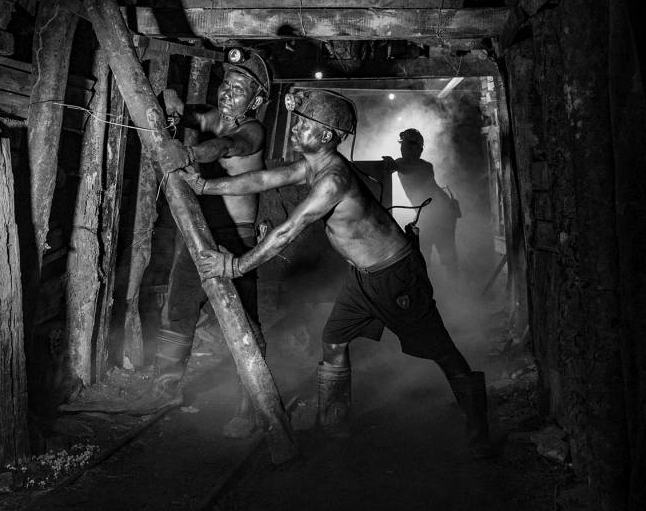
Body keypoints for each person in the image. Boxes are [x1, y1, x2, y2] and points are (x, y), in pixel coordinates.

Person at [184, 90, 495, 458]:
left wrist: (234, 265)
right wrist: (205, 186)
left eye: (303, 125)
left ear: (327, 135)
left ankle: (479, 428)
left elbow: (288, 230)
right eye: (297, 123)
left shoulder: (332, 179)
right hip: (363, 278)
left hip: (394, 274)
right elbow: (263, 180)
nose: (295, 129)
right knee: (334, 340)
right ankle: (334, 423)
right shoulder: (312, 165)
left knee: (441, 350)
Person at [128, 52, 269, 440]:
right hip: (199, 234)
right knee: (179, 309)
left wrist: (189, 153)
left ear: (256, 100)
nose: (227, 93)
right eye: (226, 84)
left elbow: (225, 145)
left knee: (243, 324)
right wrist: (173, 101)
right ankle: (164, 390)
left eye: (239, 89)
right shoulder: (215, 117)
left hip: (235, 240)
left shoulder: (253, 131)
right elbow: (193, 114)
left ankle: (251, 404)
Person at [383, 129, 461, 280]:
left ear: (418, 149)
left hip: (443, 213)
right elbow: (398, 167)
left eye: (408, 147)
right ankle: (430, 288)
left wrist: (393, 165)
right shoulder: (401, 163)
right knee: (423, 257)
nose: (404, 150)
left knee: (448, 257)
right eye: (403, 146)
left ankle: (454, 288)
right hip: (427, 215)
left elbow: (408, 170)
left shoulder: (425, 166)